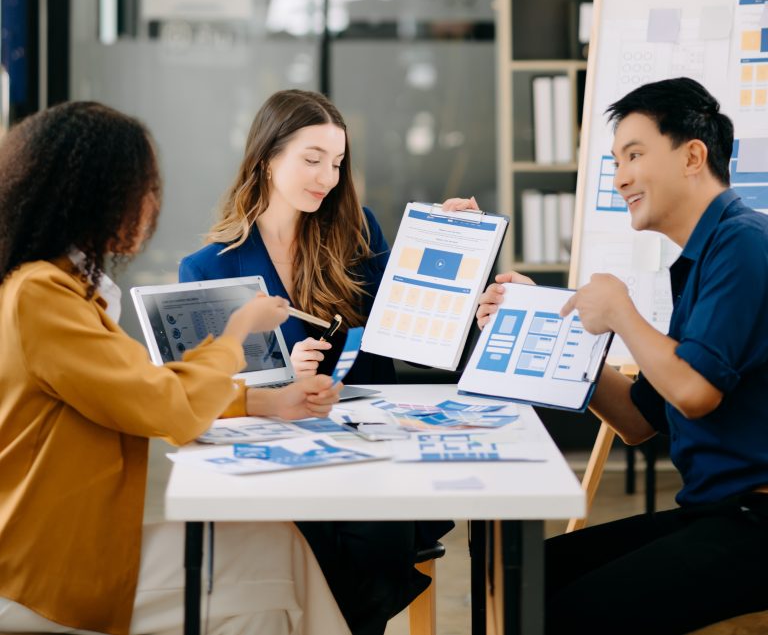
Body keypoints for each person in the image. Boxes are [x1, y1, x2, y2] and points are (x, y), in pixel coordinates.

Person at [0, 100, 350, 635]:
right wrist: (237, 330)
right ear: (96, 194)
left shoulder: (55, 287)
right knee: (274, 561)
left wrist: (262, 401)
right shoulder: (42, 295)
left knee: (274, 561)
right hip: (39, 567)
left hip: (54, 544)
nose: (150, 205)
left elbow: (138, 388)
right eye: (143, 188)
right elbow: (163, 403)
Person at [477, 76, 768, 635]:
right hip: (714, 514)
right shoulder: (701, 259)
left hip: (756, 524)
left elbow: (694, 392)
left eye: (634, 155)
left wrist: (622, 313)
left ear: (692, 155)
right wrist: (539, 317)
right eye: (614, 162)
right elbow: (640, 420)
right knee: (525, 577)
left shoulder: (743, 243)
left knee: (557, 610)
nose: (620, 178)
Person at [179, 88, 461, 633]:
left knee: (372, 538)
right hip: (273, 457)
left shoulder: (357, 235)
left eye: (335, 163)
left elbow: (405, 326)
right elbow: (201, 388)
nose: (327, 178)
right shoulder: (208, 268)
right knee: (310, 539)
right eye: (312, 160)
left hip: (365, 452)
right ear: (266, 159)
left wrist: (444, 247)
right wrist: (283, 375)